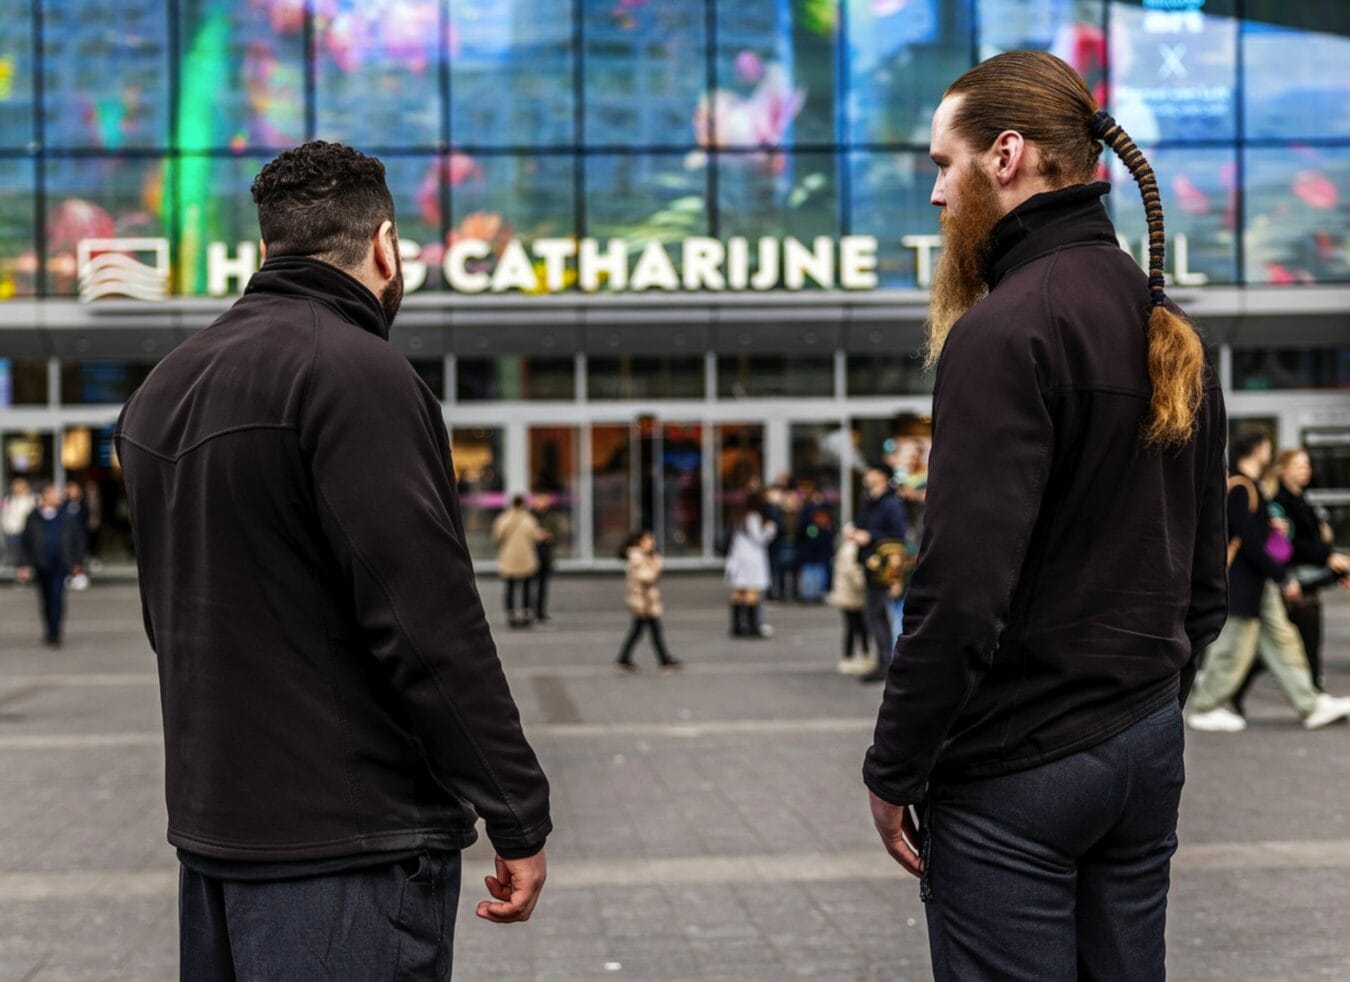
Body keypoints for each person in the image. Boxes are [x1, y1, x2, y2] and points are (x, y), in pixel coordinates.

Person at [115, 141, 550, 980]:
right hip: (350, 846)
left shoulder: (165, 386)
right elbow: (427, 623)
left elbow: (166, 619)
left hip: (218, 837)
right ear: (385, 246)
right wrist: (518, 812)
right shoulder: (358, 373)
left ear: (268, 244)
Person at [862, 51, 1230, 980]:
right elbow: (1205, 584)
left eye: (945, 164)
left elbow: (958, 591)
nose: (938, 195)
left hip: (1017, 770)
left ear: (1008, 155)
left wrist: (894, 767)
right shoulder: (1165, 324)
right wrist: (1146, 706)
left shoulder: (1002, 330)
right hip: (1142, 748)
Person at [1186, 430, 1350, 732]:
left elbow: (1252, 534)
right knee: (1232, 647)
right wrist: (1281, 574)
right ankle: (1205, 707)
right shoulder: (1239, 487)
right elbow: (1247, 540)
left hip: (1259, 584)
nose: (1269, 453)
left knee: (1284, 643)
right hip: (1244, 583)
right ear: (1257, 450)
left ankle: (1310, 704)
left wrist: (1269, 527)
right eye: (1266, 448)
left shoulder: (1251, 487)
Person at [850, 464, 906, 683]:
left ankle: (886, 662)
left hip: (883, 567)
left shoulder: (890, 504)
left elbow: (898, 537)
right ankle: (883, 660)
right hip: (870, 564)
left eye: (872, 472)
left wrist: (869, 537)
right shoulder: (871, 501)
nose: (867, 475)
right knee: (873, 614)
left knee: (880, 615)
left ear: (882, 476)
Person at [16, 481, 86, 646]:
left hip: (60, 564)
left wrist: (77, 561)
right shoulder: (33, 517)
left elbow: (78, 539)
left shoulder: (67, 516)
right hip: (41, 564)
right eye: (53, 493)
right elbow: (26, 542)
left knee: (56, 597)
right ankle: (48, 630)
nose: (57, 496)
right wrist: (24, 565)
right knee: (45, 599)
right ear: (44, 496)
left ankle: (55, 632)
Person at [614, 530, 681, 672]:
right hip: (642, 601)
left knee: (640, 630)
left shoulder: (643, 557)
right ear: (640, 542)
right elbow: (646, 578)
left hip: (646, 600)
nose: (652, 543)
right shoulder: (637, 558)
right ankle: (664, 659)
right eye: (649, 540)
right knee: (653, 630)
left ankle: (624, 657)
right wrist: (656, 564)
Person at [725, 488, 776, 638]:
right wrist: (769, 531)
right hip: (751, 559)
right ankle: (753, 626)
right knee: (752, 592)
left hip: (738, 557)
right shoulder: (753, 517)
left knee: (739, 592)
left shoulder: (738, 516)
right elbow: (758, 539)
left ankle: (738, 626)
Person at [827, 525, 872, 676]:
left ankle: (850, 657)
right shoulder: (852, 549)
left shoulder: (845, 547)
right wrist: (865, 584)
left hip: (846, 594)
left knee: (852, 627)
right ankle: (859, 656)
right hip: (853, 595)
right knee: (858, 627)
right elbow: (853, 572)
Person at [493, 494, 542, 629]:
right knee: (526, 587)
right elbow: (535, 537)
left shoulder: (503, 519)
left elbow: (497, 536)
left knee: (510, 587)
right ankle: (526, 614)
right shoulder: (529, 519)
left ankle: (511, 615)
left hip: (509, 557)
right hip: (526, 557)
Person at [794, 495, 835, 603]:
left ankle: (817, 594)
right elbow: (800, 534)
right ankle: (809, 595)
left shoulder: (826, 523)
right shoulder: (807, 519)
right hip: (809, 553)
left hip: (820, 553)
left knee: (819, 573)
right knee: (810, 573)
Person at [531, 493, 562, 622]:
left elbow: (558, 533)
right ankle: (528, 610)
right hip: (531, 554)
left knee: (543, 586)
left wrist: (548, 536)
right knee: (529, 585)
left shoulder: (551, 517)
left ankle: (540, 612)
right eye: (539, 500)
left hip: (545, 554)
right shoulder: (530, 517)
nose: (541, 503)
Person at [2, 476, 36, 570]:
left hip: (27, 532)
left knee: (27, 555)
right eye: (15, 485)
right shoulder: (8, 499)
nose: (16, 487)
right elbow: (4, 515)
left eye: (19, 485)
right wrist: (7, 527)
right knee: (15, 555)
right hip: (13, 532)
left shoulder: (32, 499)